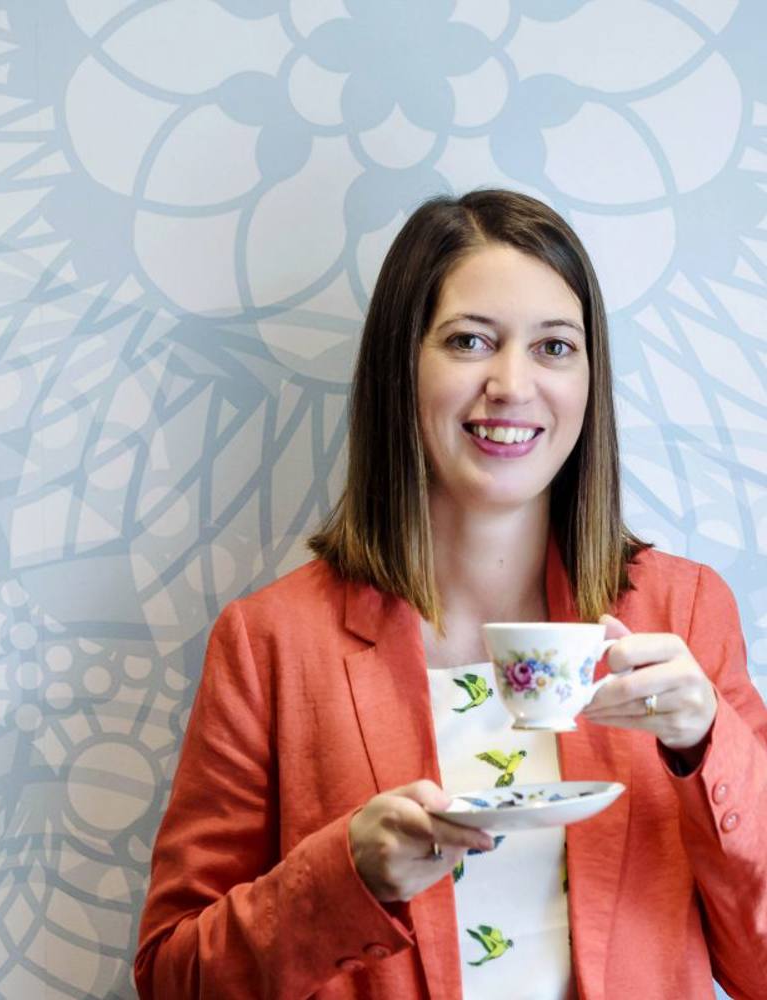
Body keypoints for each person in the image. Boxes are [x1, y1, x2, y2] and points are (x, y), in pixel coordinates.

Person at [133, 190, 767, 999]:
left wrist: (707, 747)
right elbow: (175, 979)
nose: (512, 384)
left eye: (554, 347)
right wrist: (344, 878)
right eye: (470, 341)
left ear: (589, 379)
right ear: (402, 367)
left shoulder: (683, 612)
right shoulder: (271, 643)